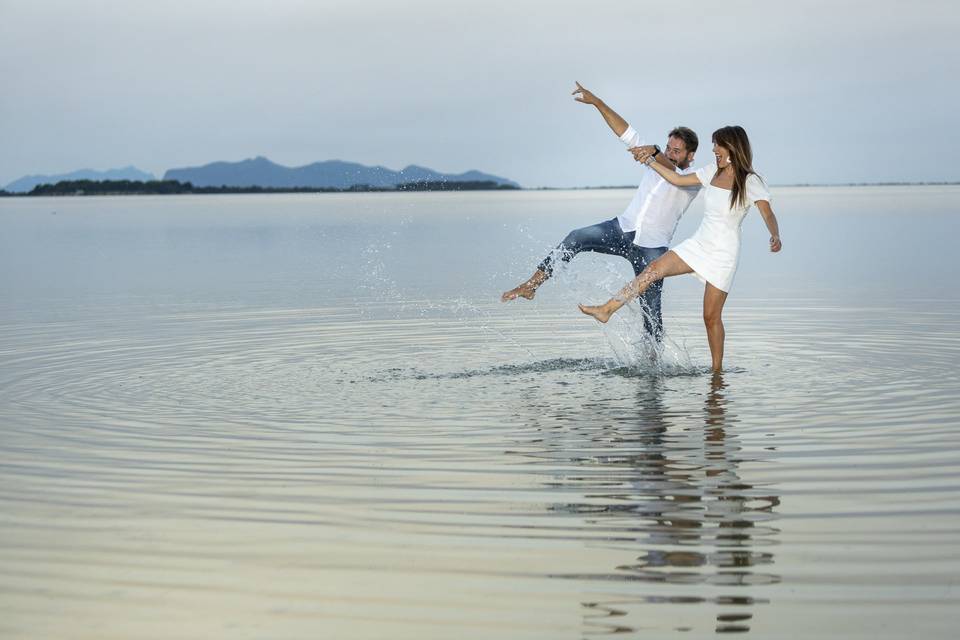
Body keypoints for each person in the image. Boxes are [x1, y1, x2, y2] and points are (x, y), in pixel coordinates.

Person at [501, 82, 701, 341]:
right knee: (575, 237)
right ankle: (531, 286)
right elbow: (625, 131)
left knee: (652, 313)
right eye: (668, 148)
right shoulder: (654, 160)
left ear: (690, 155)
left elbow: (674, 172)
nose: (671, 154)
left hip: (652, 251)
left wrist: (654, 153)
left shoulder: (692, 179)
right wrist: (597, 103)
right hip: (621, 229)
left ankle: (653, 369)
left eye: (677, 151)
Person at [579, 126, 782, 372]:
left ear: (732, 147)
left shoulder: (751, 181)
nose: (714, 150)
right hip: (698, 244)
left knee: (710, 317)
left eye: (718, 145)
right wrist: (651, 161)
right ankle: (607, 309)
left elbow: (767, 212)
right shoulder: (711, 172)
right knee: (653, 269)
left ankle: (716, 373)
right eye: (714, 145)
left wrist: (774, 234)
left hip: (723, 254)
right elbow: (676, 178)